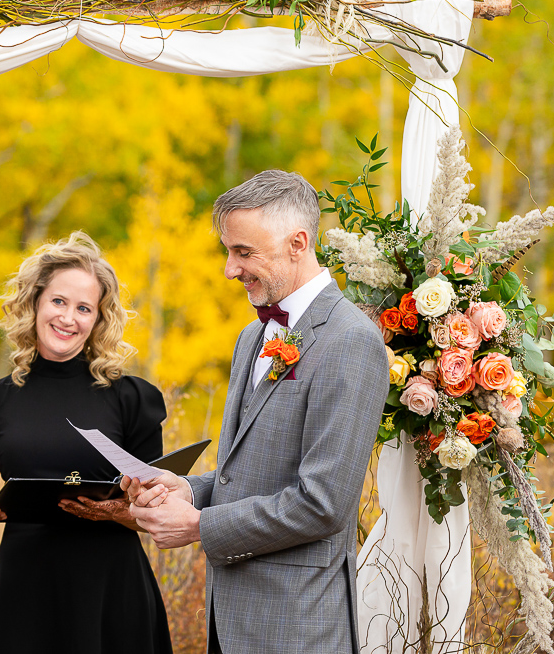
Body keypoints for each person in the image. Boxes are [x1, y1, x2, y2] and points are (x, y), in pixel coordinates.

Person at [125, 171, 388, 654]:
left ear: (298, 243)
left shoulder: (351, 342)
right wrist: (188, 488)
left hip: (299, 626)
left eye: (244, 252)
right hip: (230, 621)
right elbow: (244, 476)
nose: (229, 268)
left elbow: (322, 504)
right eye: (229, 250)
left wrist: (199, 526)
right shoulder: (252, 336)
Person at [0, 231, 173, 654]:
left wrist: (113, 511)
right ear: (35, 302)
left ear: (98, 319)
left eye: (83, 308)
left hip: (112, 588)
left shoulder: (133, 399)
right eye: (58, 301)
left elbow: (160, 514)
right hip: (27, 590)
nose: (68, 318)